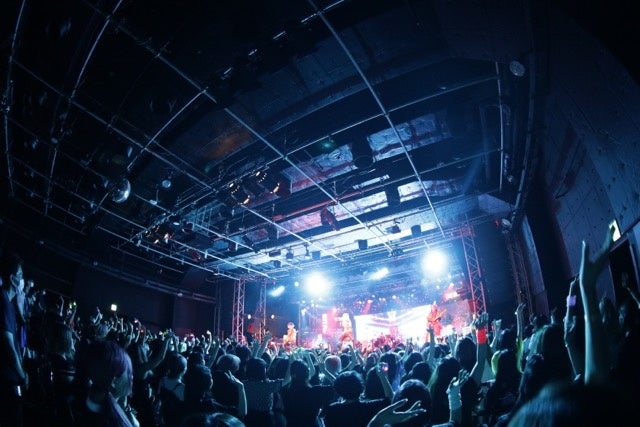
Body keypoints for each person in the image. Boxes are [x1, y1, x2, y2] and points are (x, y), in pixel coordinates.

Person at [0, 252, 29, 427]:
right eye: (21, 275)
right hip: (6, 379)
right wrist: (22, 374)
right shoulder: (3, 302)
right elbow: (8, 346)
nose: (23, 280)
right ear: (12, 279)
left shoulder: (9, 303)